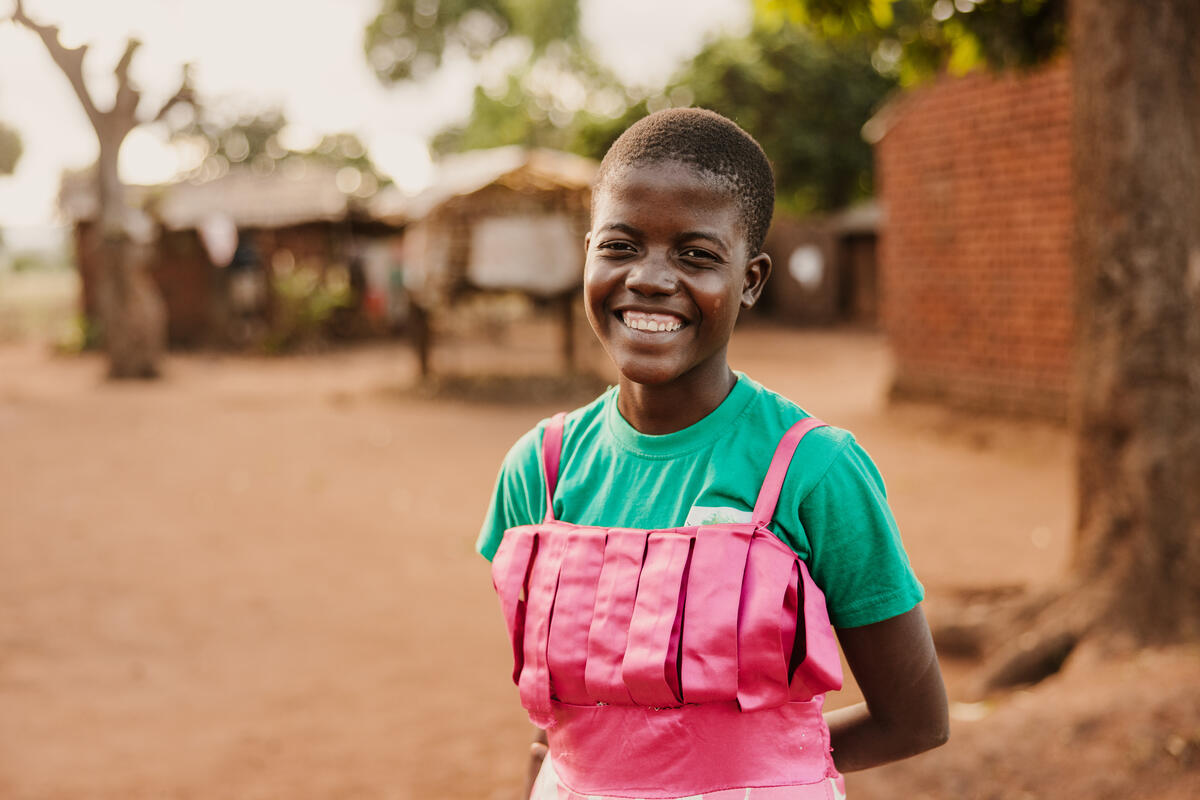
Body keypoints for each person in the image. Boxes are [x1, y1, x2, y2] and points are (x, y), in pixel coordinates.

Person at [477, 108, 948, 800]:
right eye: (621, 246)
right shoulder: (538, 470)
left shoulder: (814, 471)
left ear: (751, 280)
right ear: (587, 255)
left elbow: (915, 720)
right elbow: (564, 712)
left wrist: (757, 772)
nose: (650, 278)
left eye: (696, 255)